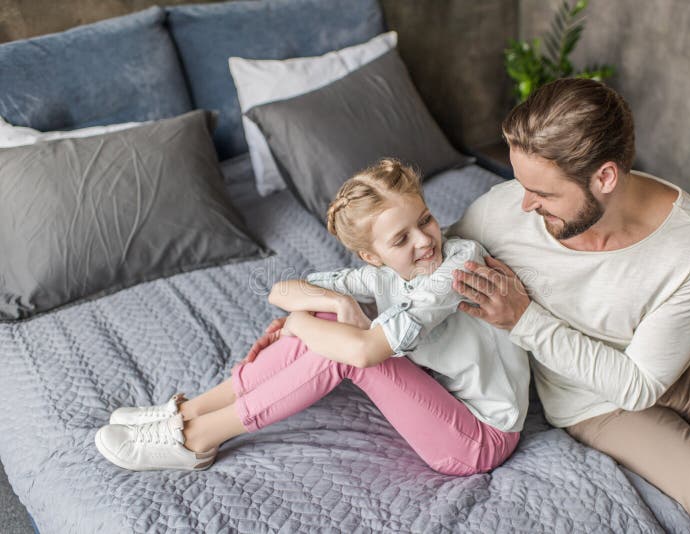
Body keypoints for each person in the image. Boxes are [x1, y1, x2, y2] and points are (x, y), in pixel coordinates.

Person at [446, 77, 690, 533]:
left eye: (545, 193)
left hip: (683, 364)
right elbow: (431, 265)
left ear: (605, 177)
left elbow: (641, 383)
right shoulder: (502, 211)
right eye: (520, 184)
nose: (526, 204)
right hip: (592, 402)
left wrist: (523, 319)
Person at [94, 158, 530, 476]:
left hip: (480, 438)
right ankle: (188, 413)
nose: (423, 240)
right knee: (326, 309)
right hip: (446, 401)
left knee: (343, 347)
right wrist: (331, 309)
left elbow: (362, 353)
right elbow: (281, 290)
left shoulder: (458, 266)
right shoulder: (382, 275)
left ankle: (197, 439)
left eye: (426, 220)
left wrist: (303, 325)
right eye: (401, 238)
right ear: (371, 256)